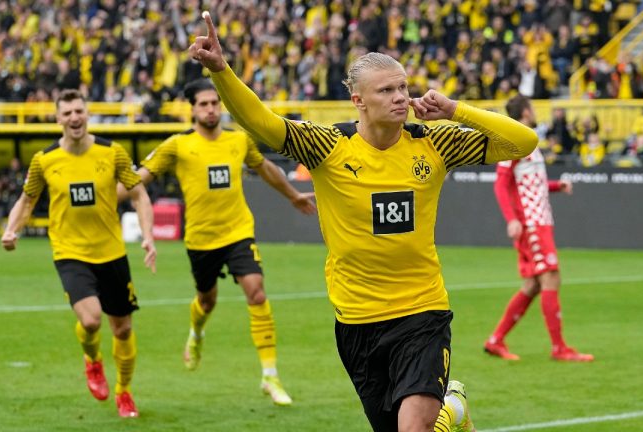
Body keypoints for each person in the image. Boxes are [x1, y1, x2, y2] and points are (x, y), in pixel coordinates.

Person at [189, 11, 537, 432]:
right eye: (386, 90)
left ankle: (445, 409)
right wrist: (221, 71)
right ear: (358, 100)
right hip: (356, 321)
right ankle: (453, 412)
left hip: (422, 310)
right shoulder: (328, 146)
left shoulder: (434, 142)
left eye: (403, 87)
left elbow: (524, 141)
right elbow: (262, 122)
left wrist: (455, 110)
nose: (399, 97)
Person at [119, 78, 315, 406]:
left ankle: (270, 375)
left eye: (214, 103)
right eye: (204, 104)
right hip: (201, 240)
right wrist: (103, 195)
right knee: (207, 301)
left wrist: (293, 195)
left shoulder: (238, 140)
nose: (211, 109)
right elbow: (139, 179)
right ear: (192, 109)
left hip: (238, 233)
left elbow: (265, 167)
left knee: (256, 291)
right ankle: (196, 333)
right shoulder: (177, 145)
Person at [1, 89, 156, 417]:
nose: (74, 118)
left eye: (79, 111)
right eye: (67, 113)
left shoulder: (112, 152)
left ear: (87, 114)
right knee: (91, 319)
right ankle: (93, 360)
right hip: (70, 252)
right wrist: (11, 229)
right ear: (58, 118)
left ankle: (124, 392)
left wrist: (148, 237)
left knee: (123, 329)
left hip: (111, 252)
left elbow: (139, 194)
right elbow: (27, 200)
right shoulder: (44, 160)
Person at [484, 95, 594, 363]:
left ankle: (495, 340)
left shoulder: (528, 141)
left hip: (539, 220)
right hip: (531, 223)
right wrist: (512, 219)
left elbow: (530, 185)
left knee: (533, 284)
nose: (534, 112)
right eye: (531, 108)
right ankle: (559, 348)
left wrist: (556, 186)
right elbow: (500, 184)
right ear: (524, 112)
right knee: (551, 277)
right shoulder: (513, 142)